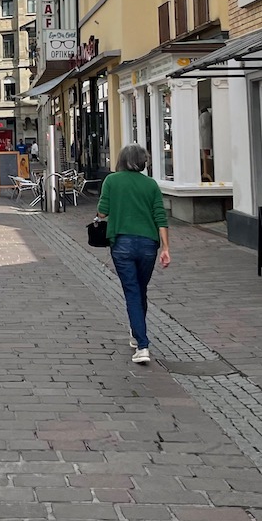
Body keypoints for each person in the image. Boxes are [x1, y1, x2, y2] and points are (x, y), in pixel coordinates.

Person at [94, 144, 170, 365]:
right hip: (149, 245)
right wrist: (166, 248)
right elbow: (160, 217)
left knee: (132, 292)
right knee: (140, 289)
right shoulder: (151, 185)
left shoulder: (112, 181)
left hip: (122, 244)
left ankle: (142, 344)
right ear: (143, 161)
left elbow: (102, 211)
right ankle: (137, 334)